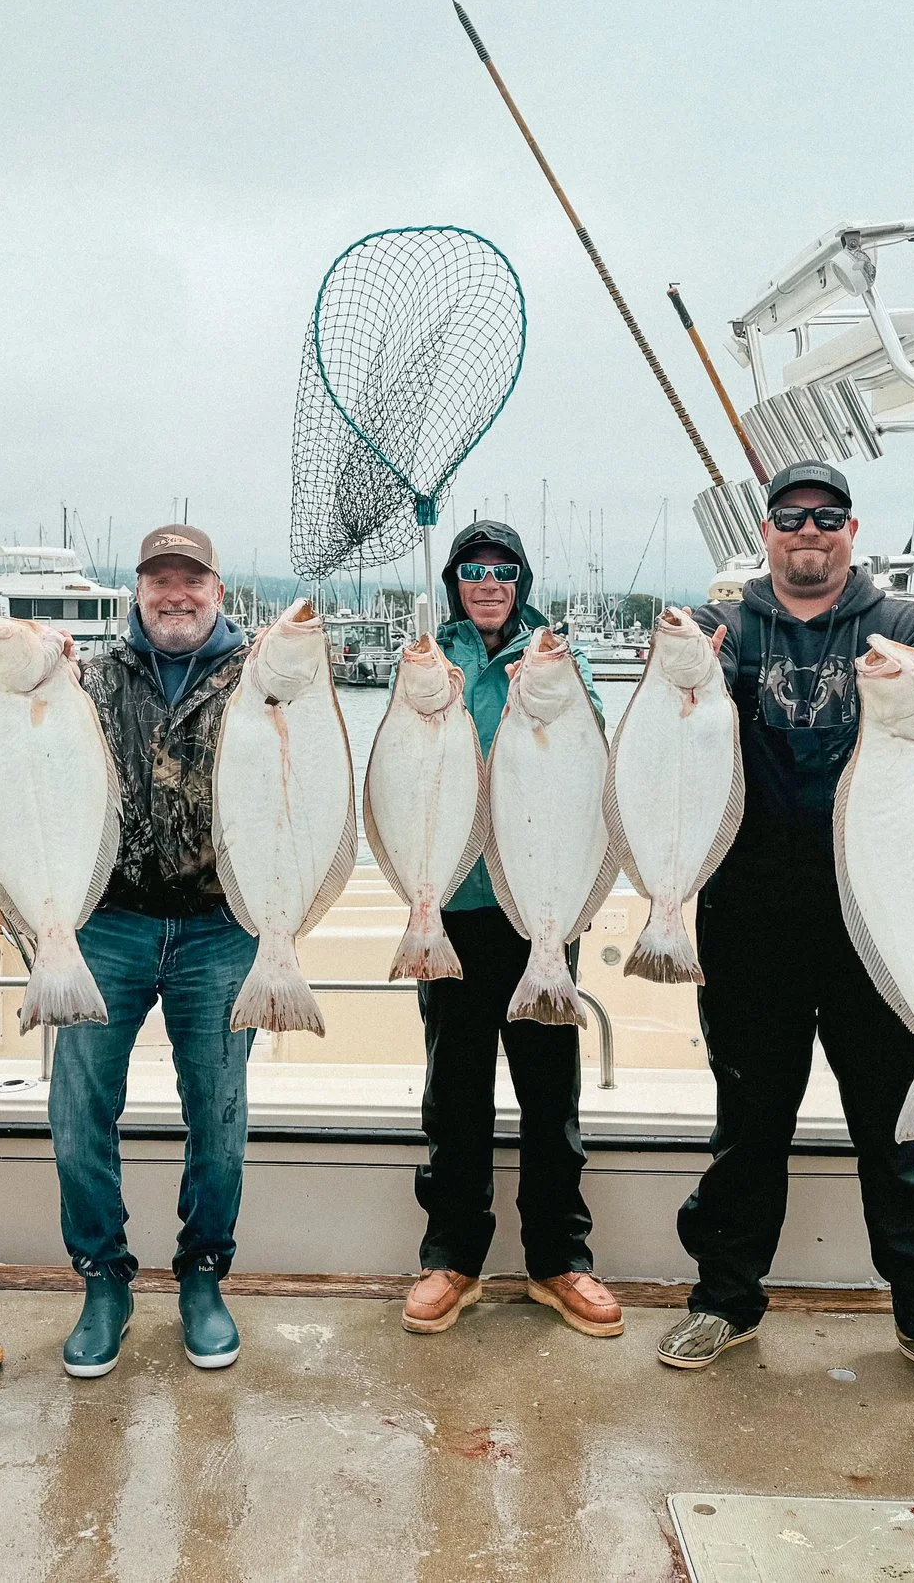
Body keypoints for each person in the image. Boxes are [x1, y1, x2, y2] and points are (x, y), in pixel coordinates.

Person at [657, 461, 914, 1405]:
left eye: (827, 517)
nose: (808, 532)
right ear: (765, 532)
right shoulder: (725, 627)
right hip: (749, 915)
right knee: (748, 1125)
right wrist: (673, 661)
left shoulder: (900, 629)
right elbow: (675, 732)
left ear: (853, 530)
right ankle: (725, 1299)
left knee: (899, 1133)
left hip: (880, 921)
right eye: (790, 518)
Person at [401, 521, 623, 1340]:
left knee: (549, 1095)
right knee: (454, 1095)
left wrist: (566, 680)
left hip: (542, 909)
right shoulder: (434, 658)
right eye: (472, 568)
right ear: (456, 579)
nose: (488, 581)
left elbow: (591, 748)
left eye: (503, 569)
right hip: (452, 911)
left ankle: (559, 1260)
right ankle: (451, 1257)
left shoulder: (556, 656)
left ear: (521, 579)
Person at [54, 523, 256, 1378]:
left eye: (191, 580)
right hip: (106, 922)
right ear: (138, 590)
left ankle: (203, 1274)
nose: (176, 594)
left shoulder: (259, 680)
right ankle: (104, 1278)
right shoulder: (91, 678)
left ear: (218, 589)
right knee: (77, 1113)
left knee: (217, 1115)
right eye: (160, 580)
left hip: (221, 925)